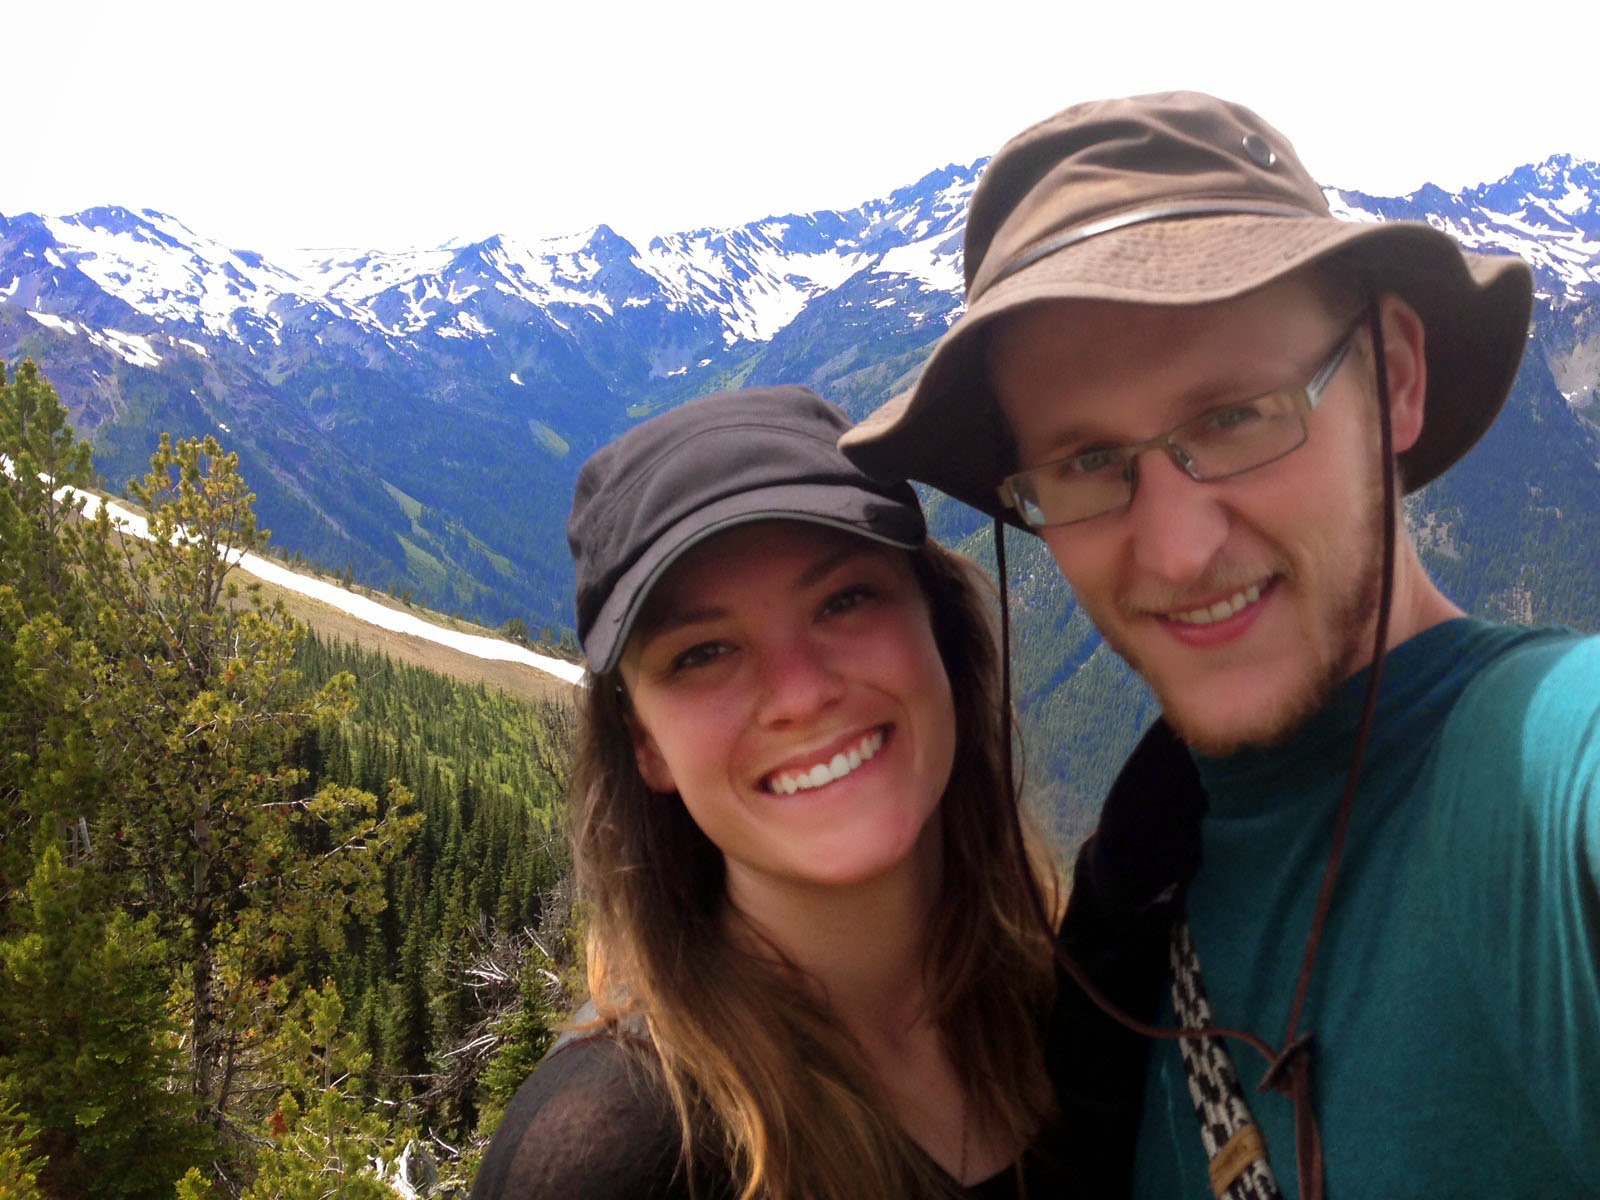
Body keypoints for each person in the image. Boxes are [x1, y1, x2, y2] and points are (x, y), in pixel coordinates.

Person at [842, 92, 1600, 1200]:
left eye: (1236, 415)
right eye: (1086, 463)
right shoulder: (1129, 917)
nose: (1178, 548)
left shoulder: (1546, 774)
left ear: (1395, 376)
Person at [470, 384, 1172, 1200]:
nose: (800, 695)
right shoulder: (620, 1157)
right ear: (645, 745)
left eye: (845, 600)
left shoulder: (1094, 998)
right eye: (703, 653)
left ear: (941, 635)